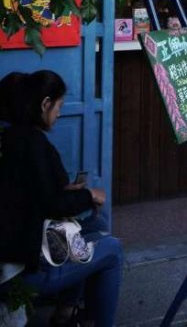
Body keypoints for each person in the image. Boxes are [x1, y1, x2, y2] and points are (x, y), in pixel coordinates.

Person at [0, 71, 123, 326]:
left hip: (21, 246)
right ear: (45, 104)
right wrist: (87, 195)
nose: (59, 113)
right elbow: (52, 205)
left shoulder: (12, 138)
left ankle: (65, 314)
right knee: (112, 250)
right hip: (23, 268)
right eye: (59, 106)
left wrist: (73, 194)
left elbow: (36, 196)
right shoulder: (31, 143)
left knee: (97, 225)